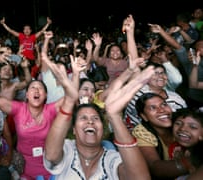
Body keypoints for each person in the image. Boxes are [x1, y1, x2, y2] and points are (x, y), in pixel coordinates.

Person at [43, 35, 153, 180]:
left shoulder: (112, 158)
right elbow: (51, 155)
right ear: (74, 129)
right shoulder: (68, 148)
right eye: (83, 118)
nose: (90, 121)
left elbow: (140, 178)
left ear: (103, 128)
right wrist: (70, 98)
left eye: (96, 118)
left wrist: (114, 116)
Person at [0, 36, 84, 179]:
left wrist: (76, 73)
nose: (36, 91)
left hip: (50, 164)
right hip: (23, 165)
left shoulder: (50, 109)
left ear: (45, 96)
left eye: (40, 89)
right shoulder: (18, 109)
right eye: (32, 88)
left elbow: (71, 97)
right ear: (26, 95)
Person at [132, 93, 194, 179]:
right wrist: (192, 162)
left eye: (164, 104)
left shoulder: (180, 121)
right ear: (144, 116)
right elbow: (155, 168)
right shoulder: (142, 132)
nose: (161, 110)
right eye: (153, 107)